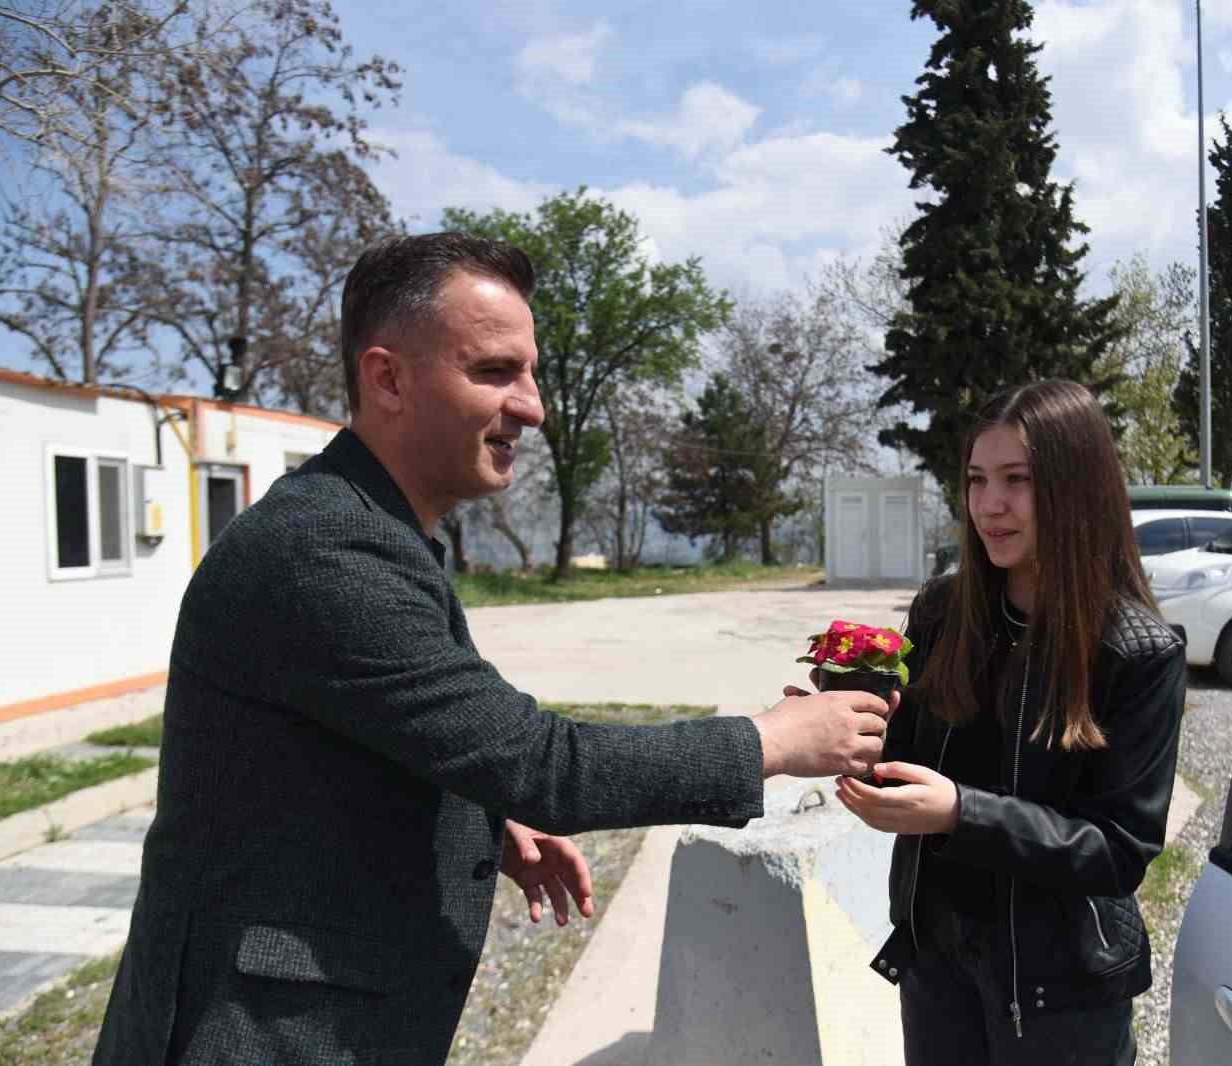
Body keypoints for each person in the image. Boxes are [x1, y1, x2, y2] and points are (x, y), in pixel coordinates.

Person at [92, 233, 893, 1066]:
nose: (533, 406)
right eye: (495, 371)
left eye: (530, 372)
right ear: (388, 378)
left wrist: (478, 818)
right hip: (256, 1038)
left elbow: (355, 743)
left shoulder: (372, 528)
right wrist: (772, 742)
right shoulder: (326, 550)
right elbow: (542, 762)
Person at [832, 379, 1185, 1065]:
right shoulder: (942, 612)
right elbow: (905, 754)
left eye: (1016, 480)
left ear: (1075, 487)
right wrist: (850, 726)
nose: (990, 504)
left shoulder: (1136, 652)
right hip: (937, 963)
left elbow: (1118, 852)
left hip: (1059, 990)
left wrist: (960, 813)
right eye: (977, 479)